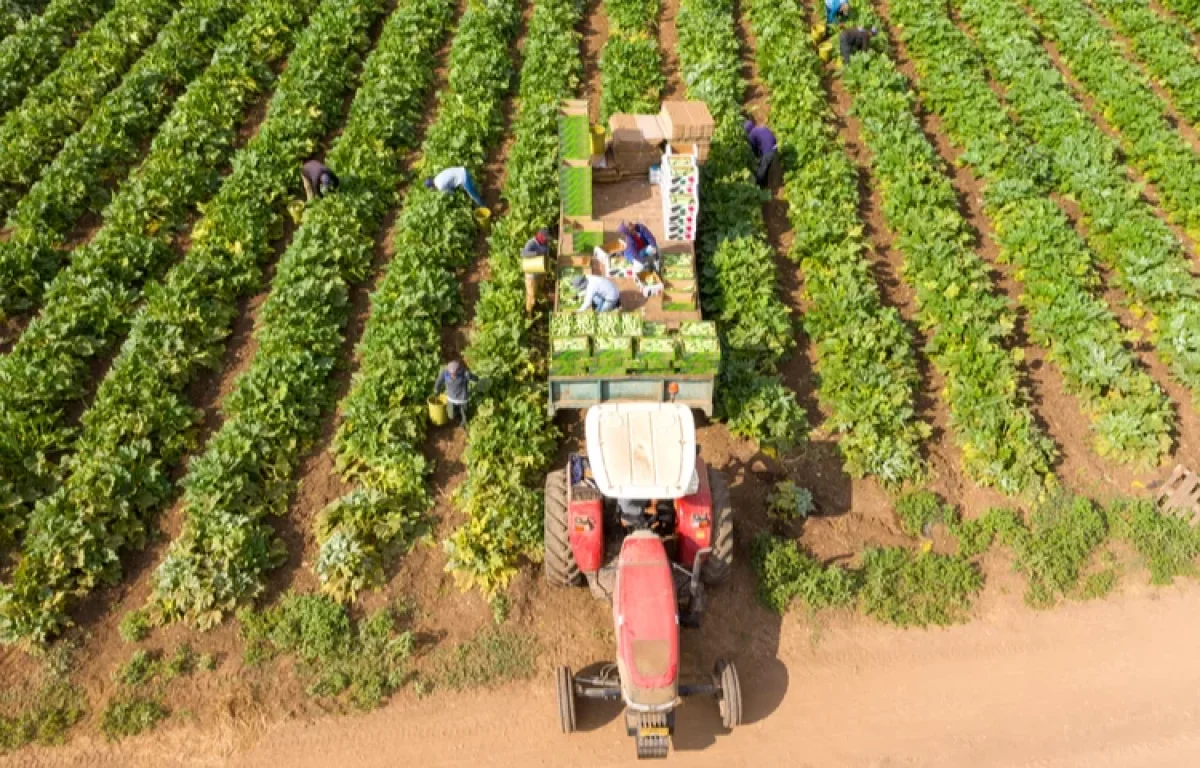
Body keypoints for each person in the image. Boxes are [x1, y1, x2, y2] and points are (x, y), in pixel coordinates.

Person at [432, 360, 478, 428]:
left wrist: (471, 376)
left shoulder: (464, 374)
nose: (452, 375)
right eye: (451, 373)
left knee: (464, 415)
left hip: (462, 399)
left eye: (454, 373)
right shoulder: (445, 372)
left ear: (459, 371)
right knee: (451, 415)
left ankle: (463, 423)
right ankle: (457, 414)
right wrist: (436, 389)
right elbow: (439, 380)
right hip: (451, 398)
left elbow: (476, 379)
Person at [521, 228, 550, 314]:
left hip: (541, 271)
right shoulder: (531, 243)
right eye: (546, 238)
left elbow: (547, 253)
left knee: (540, 288)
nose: (547, 240)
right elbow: (523, 253)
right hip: (531, 276)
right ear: (540, 236)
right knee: (531, 296)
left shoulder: (545, 243)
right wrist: (535, 254)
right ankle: (529, 313)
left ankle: (539, 302)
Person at [744, 120, 778, 189]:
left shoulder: (751, 134)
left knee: (760, 172)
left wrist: (756, 157)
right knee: (766, 167)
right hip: (775, 148)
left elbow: (753, 148)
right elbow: (773, 138)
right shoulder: (761, 128)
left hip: (768, 152)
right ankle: (765, 183)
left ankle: (758, 187)